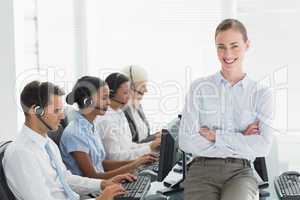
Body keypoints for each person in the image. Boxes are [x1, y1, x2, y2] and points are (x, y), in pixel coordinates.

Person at [179, 19, 274, 200]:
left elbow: (263, 146)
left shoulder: (261, 94)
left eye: (234, 46)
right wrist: (242, 140)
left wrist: (216, 137)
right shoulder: (199, 88)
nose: (227, 53)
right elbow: (186, 141)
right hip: (201, 170)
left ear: (247, 45)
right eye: (221, 47)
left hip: (240, 172)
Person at [3, 80, 134, 200]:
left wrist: (103, 184)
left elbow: (64, 178)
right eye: (56, 110)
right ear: (35, 111)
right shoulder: (22, 153)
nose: (62, 115)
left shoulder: (48, 143)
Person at [60, 76, 157, 179]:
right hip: (92, 192)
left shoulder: (90, 126)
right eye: (104, 98)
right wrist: (133, 166)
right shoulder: (75, 133)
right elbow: (93, 176)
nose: (109, 102)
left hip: (103, 185)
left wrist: (137, 162)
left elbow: (101, 164)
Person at [94, 73, 161, 160]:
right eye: (125, 93)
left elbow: (129, 146)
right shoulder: (105, 119)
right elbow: (115, 157)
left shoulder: (119, 112)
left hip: (129, 164)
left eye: (130, 92)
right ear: (111, 93)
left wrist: (153, 144)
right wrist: (149, 148)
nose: (129, 96)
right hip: (120, 169)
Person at [121, 65, 161, 143]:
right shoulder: (121, 111)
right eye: (143, 86)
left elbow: (144, 138)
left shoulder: (138, 106)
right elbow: (129, 147)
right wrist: (154, 140)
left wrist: (156, 136)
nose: (146, 90)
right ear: (130, 86)